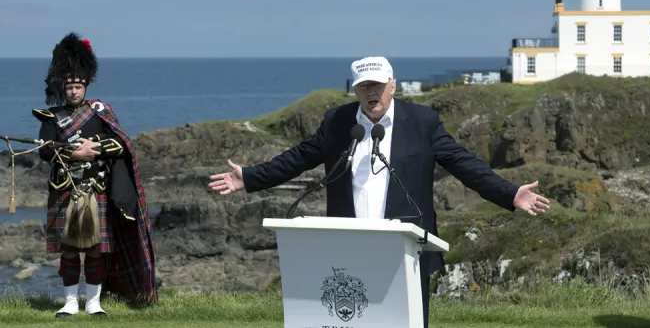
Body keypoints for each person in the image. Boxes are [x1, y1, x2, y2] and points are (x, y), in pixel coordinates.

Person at [208, 56, 551, 328]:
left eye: (377, 85)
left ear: (392, 86)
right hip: (350, 245)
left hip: (405, 248)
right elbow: (298, 158)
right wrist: (249, 178)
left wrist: (510, 194)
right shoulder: (338, 122)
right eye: (364, 87)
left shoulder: (422, 122)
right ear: (355, 90)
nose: (371, 93)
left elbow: (463, 164)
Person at [33, 32, 158, 317]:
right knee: (68, 250)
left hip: (96, 188)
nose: (73, 92)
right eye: (69, 87)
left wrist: (95, 147)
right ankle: (69, 303)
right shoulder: (51, 117)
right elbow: (45, 151)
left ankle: (93, 303)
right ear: (62, 87)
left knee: (96, 250)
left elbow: (122, 144)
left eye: (78, 86)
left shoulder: (100, 112)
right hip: (64, 190)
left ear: (86, 85)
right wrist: (76, 153)